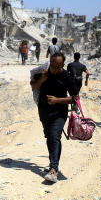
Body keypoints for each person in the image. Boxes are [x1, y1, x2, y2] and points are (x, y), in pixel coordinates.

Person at [30, 52, 78, 184]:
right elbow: (33, 85)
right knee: (49, 137)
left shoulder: (67, 77)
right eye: (52, 65)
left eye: (57, 66)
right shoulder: (44, 73)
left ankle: (54, 169)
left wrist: (58, 100)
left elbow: (75, 98)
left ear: (62, 65)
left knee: (55, 136)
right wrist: (42, 79)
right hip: (44, 112)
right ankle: (53, 162)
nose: (54, 68)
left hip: (59, 113)